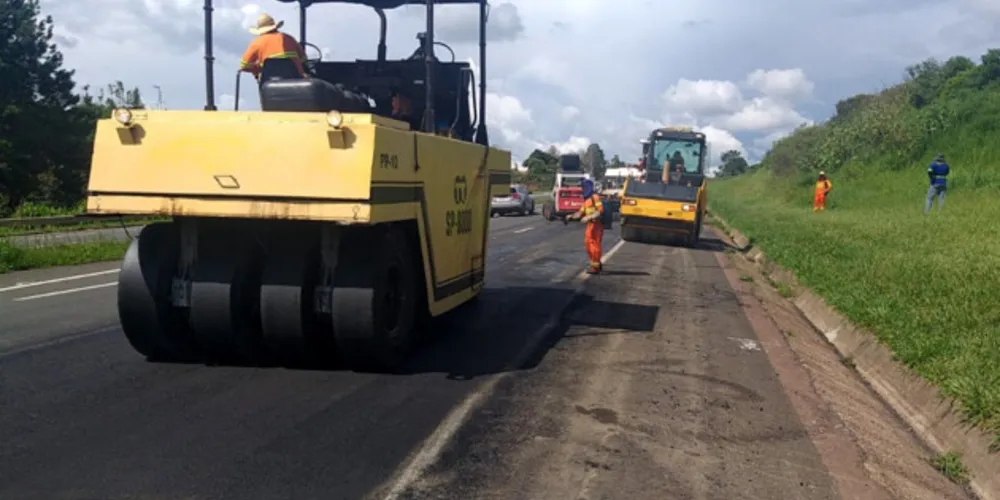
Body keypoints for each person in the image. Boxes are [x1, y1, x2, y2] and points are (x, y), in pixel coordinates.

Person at [240, 14, 307, 81]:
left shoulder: (257, 42)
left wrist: (259, 69)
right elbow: (304, 59)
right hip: (296, 82)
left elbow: (244, 65)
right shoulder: (290, 38)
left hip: (269, 84)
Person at [568, 179, 605, 274]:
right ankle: (595, 263)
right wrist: (571, 216)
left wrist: (589, 217)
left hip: (596, 225)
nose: (582, 189)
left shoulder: (595, 197)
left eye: (583, 187)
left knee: (594, 245)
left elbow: (600, 211)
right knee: (588, 243)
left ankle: (596, 266)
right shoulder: (586, 200)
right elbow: (580, 213)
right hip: (590, 225)